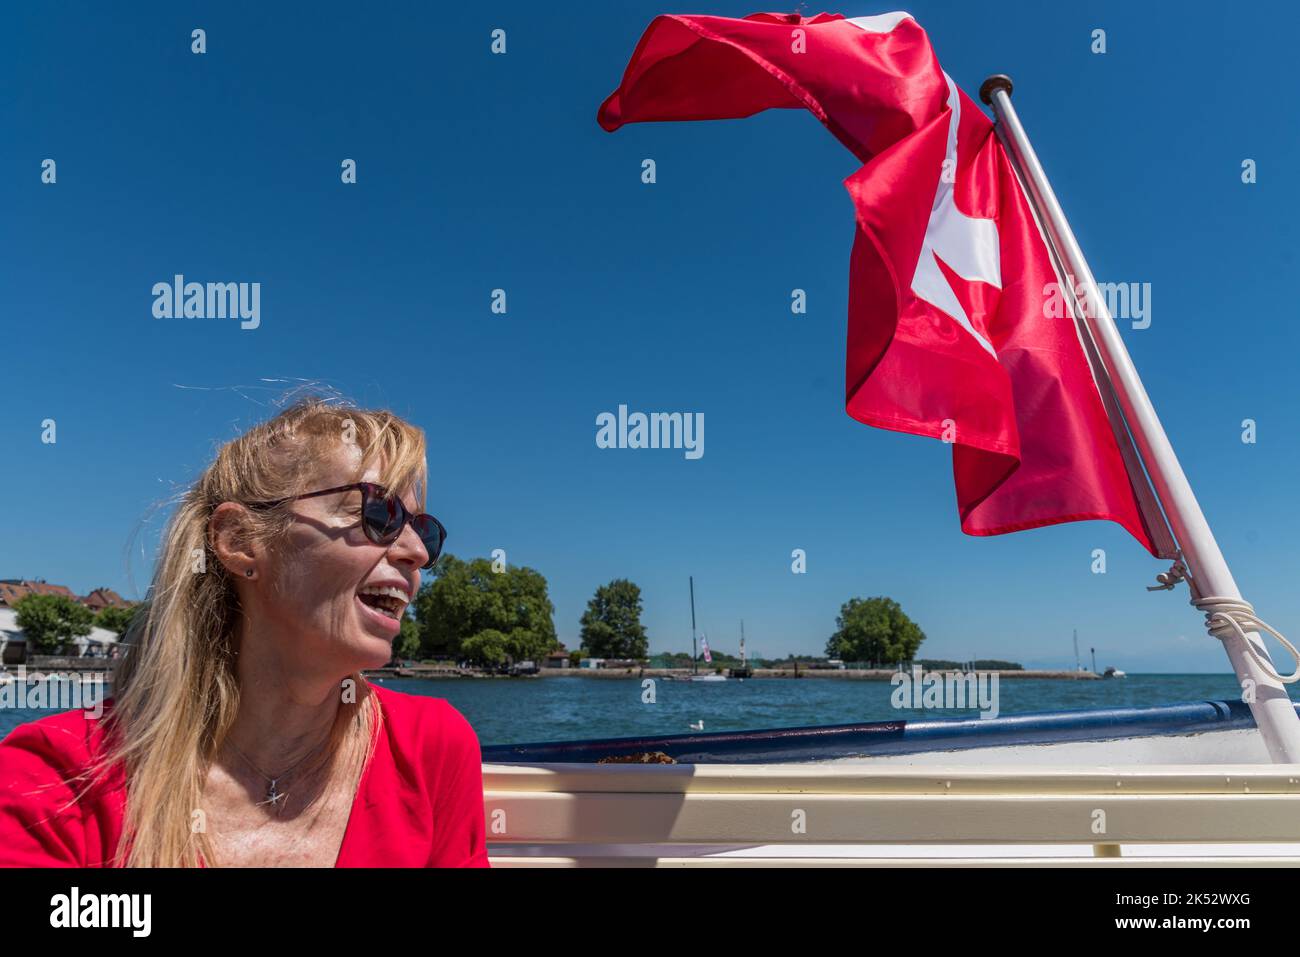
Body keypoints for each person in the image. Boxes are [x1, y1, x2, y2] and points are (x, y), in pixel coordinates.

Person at [0, 398, 490, 867]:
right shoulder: (56, 779)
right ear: (239, 541)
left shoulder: (432, 747)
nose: (417, 553)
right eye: (378, 515)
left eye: (423, 531)